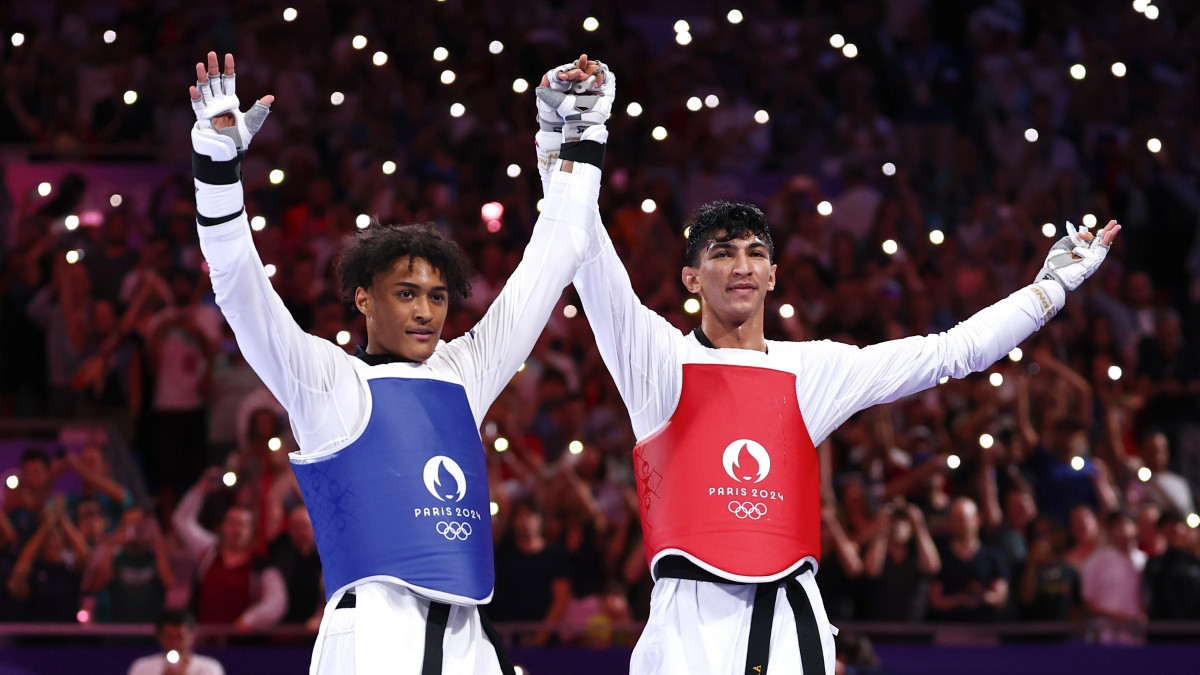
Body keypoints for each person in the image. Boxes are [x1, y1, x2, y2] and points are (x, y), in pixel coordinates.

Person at [571, 155, 1119, 670]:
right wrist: (569, 145)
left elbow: (954, 352)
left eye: (754, 253)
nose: (741, 266)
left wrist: (1050, 289)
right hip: (686, 623)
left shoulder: (813, 370)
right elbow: (593, 266)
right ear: (691, 278)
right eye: (721, 253)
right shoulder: (660, 360)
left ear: (773, 274)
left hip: (791, 617)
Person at [188, 51, 612, 673]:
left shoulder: (464, 372)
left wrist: (577, 135)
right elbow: (235, 281)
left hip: (471, 639)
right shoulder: (325, 380)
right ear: (363, 297)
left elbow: (559, 252)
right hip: (372, 640)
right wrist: (217, 167)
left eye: (438, 296)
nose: (425, 312)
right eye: (406, 293)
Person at [172, 468, 287, 630]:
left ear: (252, 531)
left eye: (243, 525)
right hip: (205, 641)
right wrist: (201, 488)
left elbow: (276, 602)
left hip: (242, 646)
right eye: (232, 523)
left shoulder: (262, 566)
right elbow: (182, 520)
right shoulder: (207, 552)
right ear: (222, 527)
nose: (237, 530)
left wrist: (250, 620)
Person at [127, 610, 225, 675]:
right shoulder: (142, 667)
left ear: (192, 636)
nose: (174, 643)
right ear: (159, 636)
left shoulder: (210, 667)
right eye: (169, 637)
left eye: (180, 637)